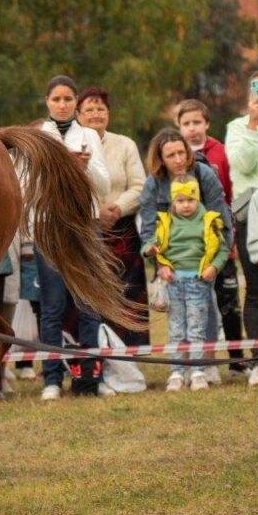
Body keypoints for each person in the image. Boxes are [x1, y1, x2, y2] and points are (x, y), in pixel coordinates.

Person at [36, 76, 109, 400]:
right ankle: (52, 378)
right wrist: (63, 167)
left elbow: (104, 186)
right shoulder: (39, 135)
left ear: (76, 102)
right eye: (56, 99)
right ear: (47, 102)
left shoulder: (89, 136)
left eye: (68, 99)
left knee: (89, 304)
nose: (62, 104)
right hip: (50, 227)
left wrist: (86, 167)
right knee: (52, 306)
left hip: (84, 226)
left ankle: (89, 377)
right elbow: (31, 186)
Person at [141, 127, 231, 384]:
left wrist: (215, 262)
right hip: (173, 262)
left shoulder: (204, 175)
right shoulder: (152, 185)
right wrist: (159, 265)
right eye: (171, 155)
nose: (178, 159)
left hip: (205, 256)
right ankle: (179, 369)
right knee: (178, 318)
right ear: (160, 159)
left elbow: (221, 219)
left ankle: (206, 362)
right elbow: (149, 231)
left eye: (182, 152)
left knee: (207, 308)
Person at [177, 98, 245, 374]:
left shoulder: (221, 153)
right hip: (189, 247)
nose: (192, 128)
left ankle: (236, 359)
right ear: (178, 126)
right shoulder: (175, 155)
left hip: (220, 242)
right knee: (197, 306)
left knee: (228, 302)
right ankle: (203, 362)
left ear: (207, 123)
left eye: (197, 122)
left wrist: (231, 235)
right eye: (186, 123)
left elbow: (230, 192)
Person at [75, 87, 148, 345]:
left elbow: (140, 186)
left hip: (123, 228)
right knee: (89, 295)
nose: (96, 114)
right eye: (89, 110)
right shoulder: (71, 145)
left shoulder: (125, 144)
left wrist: (116, 208)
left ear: (109, 113)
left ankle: (131, 356)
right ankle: (91, 359)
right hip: (84, 230)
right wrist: (96, 213)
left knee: (127, 292)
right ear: (78, 114)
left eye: (101, 109)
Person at [226, 84, 258, 387]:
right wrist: (252, 126)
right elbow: (241, 165)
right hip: (250, 217)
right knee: (256, 290)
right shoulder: (237, 127)